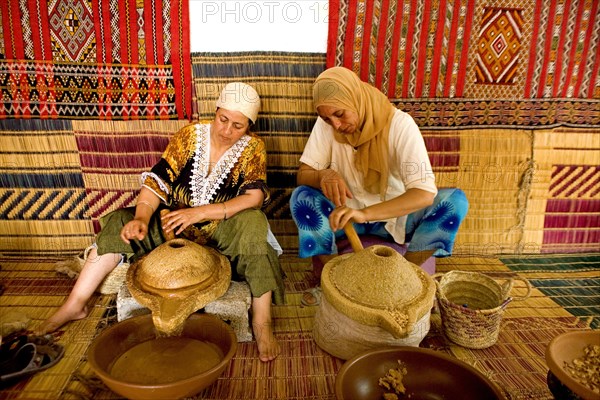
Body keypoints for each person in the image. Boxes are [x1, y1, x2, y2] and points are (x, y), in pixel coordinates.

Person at [37, 82, 284, 362]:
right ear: (215, 112)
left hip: (222, 229)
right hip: (173, 225)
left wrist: (201, 212)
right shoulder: (189, 137)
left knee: (254, 223)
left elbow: (253, 197)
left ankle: (262, 324)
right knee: (120, 220)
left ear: (249, 126)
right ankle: (75, 304)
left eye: (238, 126)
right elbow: (158, 182)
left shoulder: (253, 148)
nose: (227, 130)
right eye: (222, 119)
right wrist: (142, 218)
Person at [291, 66, 468, 306]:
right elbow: (303, 175)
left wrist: (364, 214)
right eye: (327, 118)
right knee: (301, 198)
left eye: (340, 114)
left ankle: (405, 277)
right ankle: (331, 282)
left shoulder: (400, 125)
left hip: (394, 220)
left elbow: (424, 194)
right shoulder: (326, 127)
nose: (336, 125)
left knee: (454, 202)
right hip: (343, 219)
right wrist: (323, 174)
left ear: (356, 98)